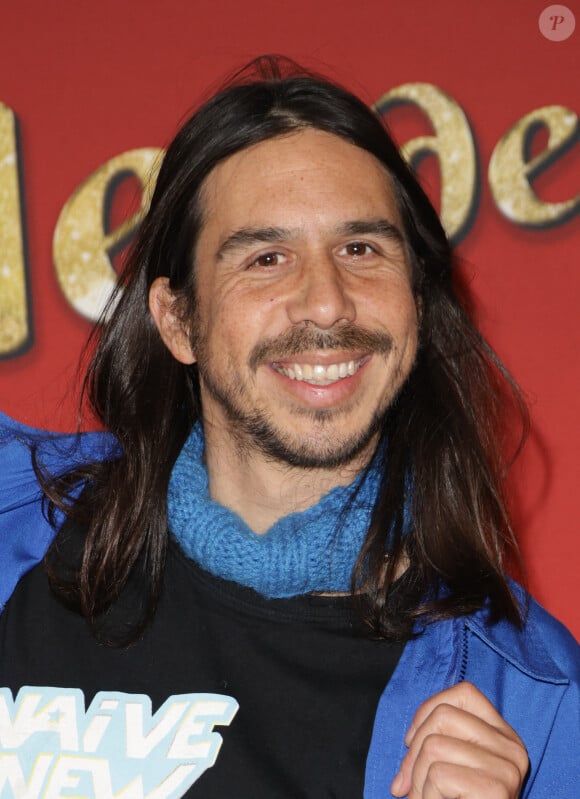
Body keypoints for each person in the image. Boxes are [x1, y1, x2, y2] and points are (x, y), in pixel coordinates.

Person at [0, 56, 578, 799]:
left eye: (362, 249)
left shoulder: (533, 697)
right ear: (178, 319)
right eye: (267, 258)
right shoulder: (15, 522)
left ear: (420, 304)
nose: (328, 303)